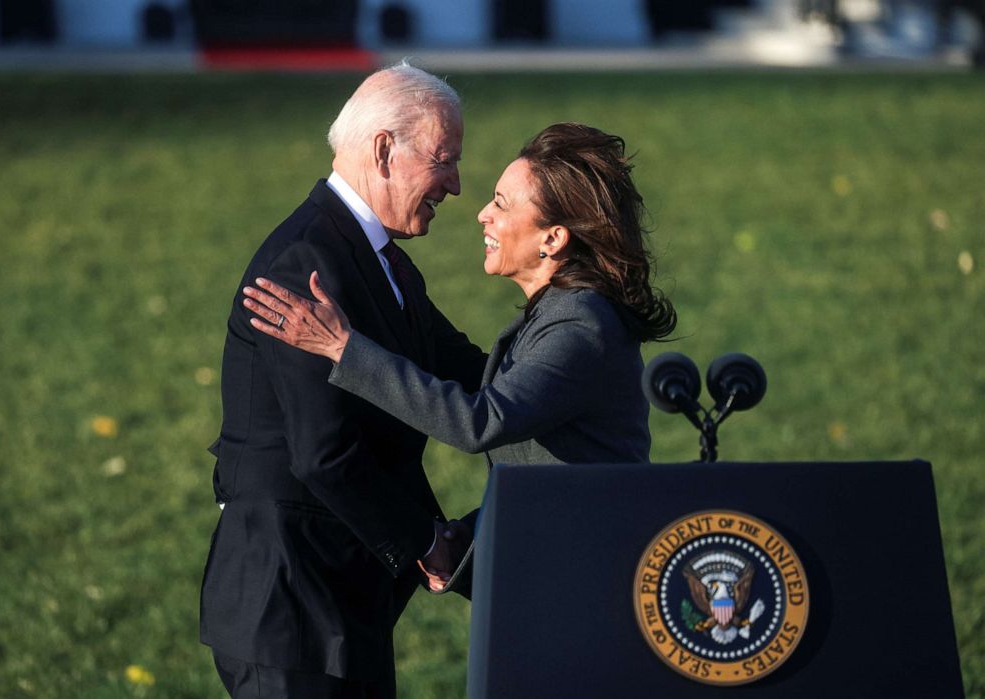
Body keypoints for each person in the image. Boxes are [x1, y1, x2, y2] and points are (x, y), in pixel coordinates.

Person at [242, 122, 678, 592]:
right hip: (559, 557)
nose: (482, 214)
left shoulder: (580, 324)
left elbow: (480, 421)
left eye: (502, 205)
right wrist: (466, 537)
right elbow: (550, 463)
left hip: (584, 575)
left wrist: (342, 348)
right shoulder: (562, 310)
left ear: (552, 240)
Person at [199, 63, 487, 699]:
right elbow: (324, 453)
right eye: (445, 160)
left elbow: (465, 368)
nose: (458, 186)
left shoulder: (385, 263)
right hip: (292, 611)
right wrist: (426, 544)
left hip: (338, 609)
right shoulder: (305, 261)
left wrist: (569, 357)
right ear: (384, 150)